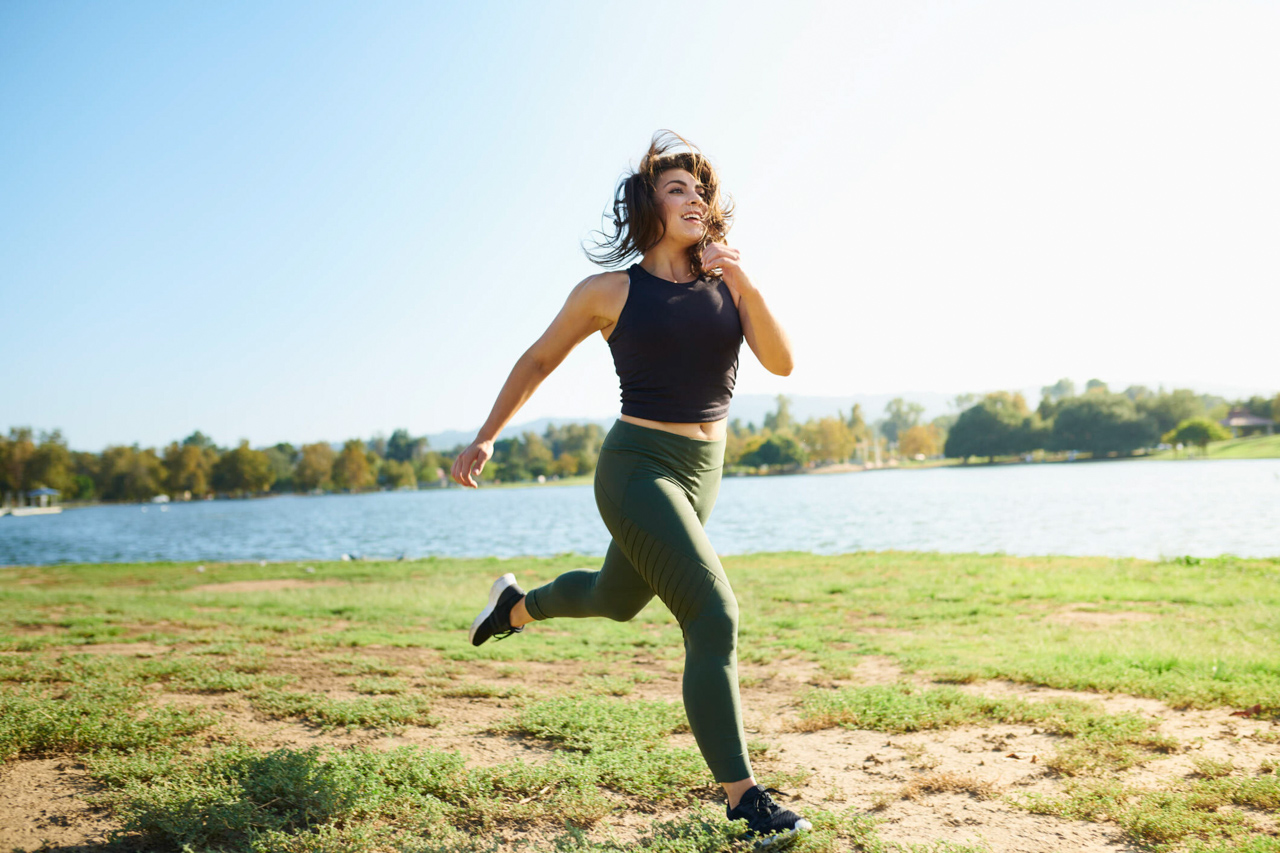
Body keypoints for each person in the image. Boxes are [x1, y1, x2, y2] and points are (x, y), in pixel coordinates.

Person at [452, 131, 808, 843]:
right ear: (649, 206)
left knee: (615, 599)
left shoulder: (725, 286)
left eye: (700, 190)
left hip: (702, 474)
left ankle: (514, 608)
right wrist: (489, 431)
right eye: (677, 189)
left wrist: (738, 278)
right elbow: (539, 358)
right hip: (636, 467)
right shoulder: (610, 291)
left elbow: (782, 361)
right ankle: (744, 798)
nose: (694, 199)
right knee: (713, 614)